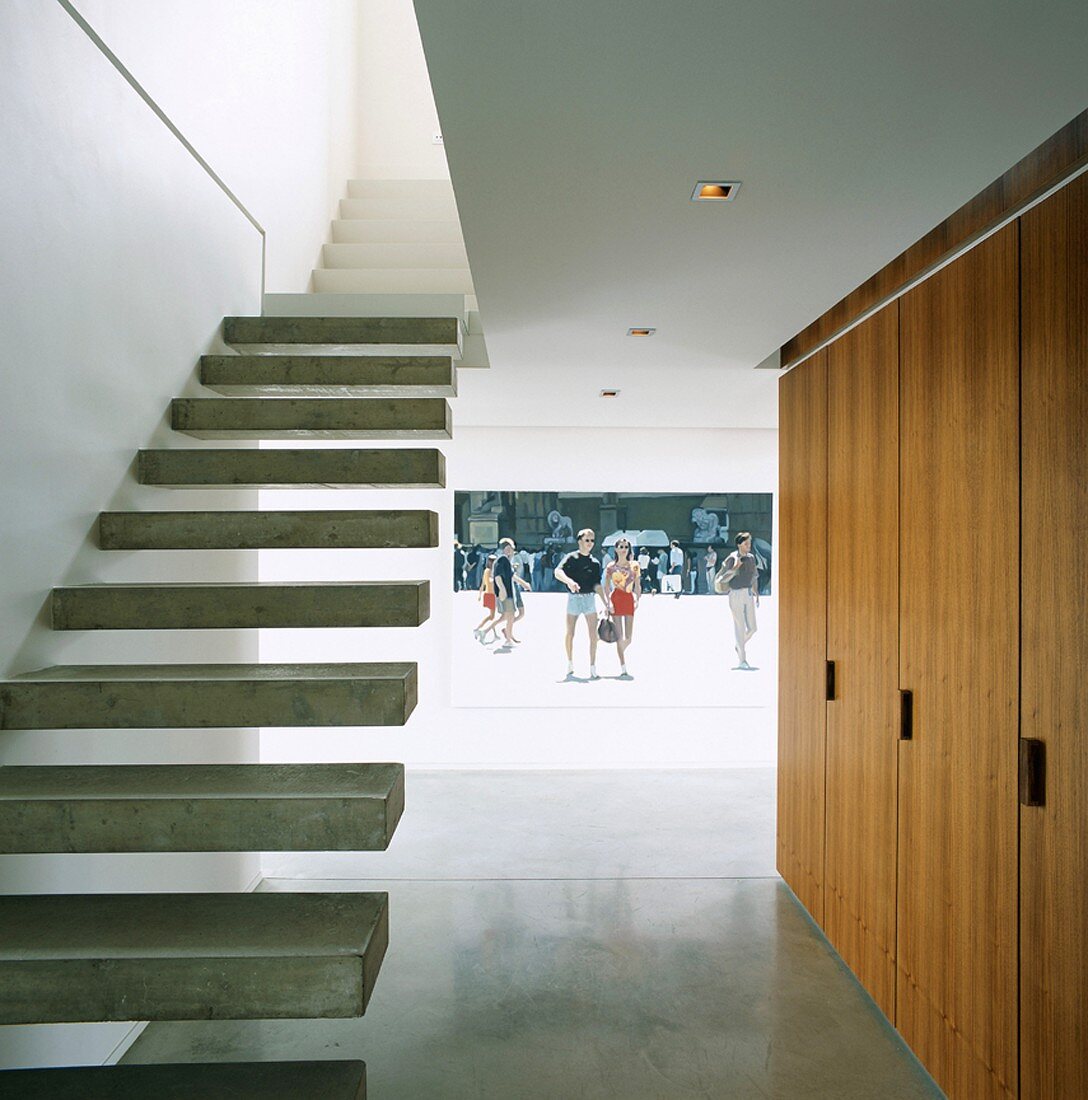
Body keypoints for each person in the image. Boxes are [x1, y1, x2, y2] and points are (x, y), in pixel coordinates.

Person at [555, 528, 610, 679]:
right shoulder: (571, 557)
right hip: (574, 598)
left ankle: (592, 666)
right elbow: (558, 572)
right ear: (579, 541)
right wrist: (570, 581)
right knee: (570, 633)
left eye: (592, 540)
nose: (590, 543)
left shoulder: (595, 562)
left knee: (593, 635)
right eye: (587, 540)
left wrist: (606, 603)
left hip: (589, 599)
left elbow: (597, 586)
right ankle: (570, 662)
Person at [718, 531, 760, 669]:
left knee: (753, 628)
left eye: (749, 542)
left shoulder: (751, 558)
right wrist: (734, 569)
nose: (749, 545)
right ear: (738, 544)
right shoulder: (732, 558)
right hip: (735, 593)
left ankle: (739, 644)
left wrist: (756, 593)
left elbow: (754, 576)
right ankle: (742, 660)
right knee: (740, 626)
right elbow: (722, 579)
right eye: (746, 543)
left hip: (748, 593)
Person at [604, 537, 641, 679]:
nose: (623, 549)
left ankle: (619, 651)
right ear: (616, 549)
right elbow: (606, 586)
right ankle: (623, 665)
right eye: (620, 546)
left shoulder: (635, 566)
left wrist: (637, 599)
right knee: (619, 635)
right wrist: (609, 603)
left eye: (626, 547)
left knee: (629, 637)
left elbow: (638, 585)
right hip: (616, 598)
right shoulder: (611, 566)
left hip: (628, 598)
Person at [492, 537, 530, 646]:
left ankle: (506, 632)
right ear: (506, 548)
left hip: (513, 589)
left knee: (517, 614)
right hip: (509, 590)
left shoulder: (508, 559)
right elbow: (500, 576)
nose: (512, 550)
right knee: (509, 615)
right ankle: (506, 636)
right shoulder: (503, 559)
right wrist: (502, 589)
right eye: (510, 547)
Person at [472, 555, 499, 643]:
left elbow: (483, 584)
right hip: (490, 595)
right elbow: (485, 583)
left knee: (492, 616)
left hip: (490, 594)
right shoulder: (489, 571)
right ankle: (477, 628)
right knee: (492, 616)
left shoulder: (488, 571)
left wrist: (480, 594)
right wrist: (480, 594)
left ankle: (495, 634)